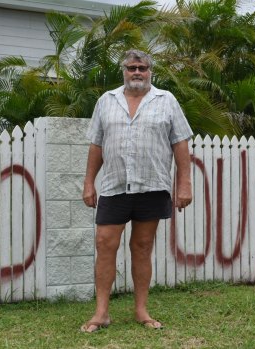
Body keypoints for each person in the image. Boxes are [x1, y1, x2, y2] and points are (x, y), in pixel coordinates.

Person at [80, 49, 193, 332]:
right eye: (132, 68)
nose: (137, 72)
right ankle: (101, 312)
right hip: (115, 185)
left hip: (152, 185)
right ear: (124, 71)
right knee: (105, 244)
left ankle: (141, 309)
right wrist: (88, 182)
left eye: (142, 67)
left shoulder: (166, 100)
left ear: (150, 71)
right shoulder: (107, 101)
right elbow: (97, 145)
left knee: (142, 247)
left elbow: (180, 143)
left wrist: (184, 184)